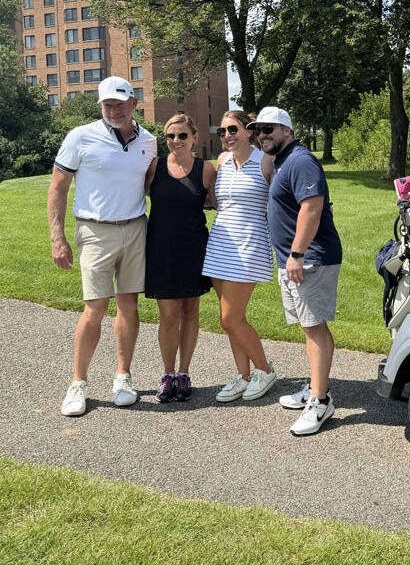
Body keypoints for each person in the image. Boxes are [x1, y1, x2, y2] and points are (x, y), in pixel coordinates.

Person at [49, 76, 157, 417]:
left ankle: (123, 377)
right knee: (94, 307)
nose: (113, 110)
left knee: (128, 305)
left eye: (120, 104)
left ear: (134, 104)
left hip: (136, 228)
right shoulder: (80, 136)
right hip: (94, 231)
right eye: (107, 105)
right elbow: (58, 188)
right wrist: (57, 237)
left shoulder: (150, 142)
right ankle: (78, 382)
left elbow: (153, 186)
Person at [248, 107, 342, 435]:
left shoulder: (300, 160)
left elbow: (312, 207)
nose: (262, 134)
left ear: (287, 129)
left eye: (269, 129)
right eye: (258, 130)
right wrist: (266, 154)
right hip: (298, 259)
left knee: (314, 327)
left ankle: (320, 401)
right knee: (309, 326)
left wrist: (297, 254)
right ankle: (315, 389)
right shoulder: (282, 161)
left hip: (310, 258)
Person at [202, 110, 277, 402]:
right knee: (235, 318)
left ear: (249, 131)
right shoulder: (222, 161)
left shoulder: (266, 160)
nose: (226, 136)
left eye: (232, 130)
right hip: (220, 244)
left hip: (249, 245)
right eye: (222, 132)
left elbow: (281, 200)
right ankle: (244, 376)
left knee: (229, 319)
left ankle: (264, 369)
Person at [144, 113, 217, 403]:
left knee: (190, 311)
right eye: (171, 136)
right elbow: (142, 192)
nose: (176, 141)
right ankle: (167, 373)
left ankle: (184, 374)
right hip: (160, 246)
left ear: (194, 137)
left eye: (182, 135)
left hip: (193, 247)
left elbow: (213, 201)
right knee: (168, 314)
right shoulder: (155, 166)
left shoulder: (206, 169)